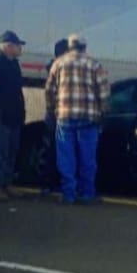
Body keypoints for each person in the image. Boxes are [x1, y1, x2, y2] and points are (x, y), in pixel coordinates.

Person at [44, 33, 109, 204]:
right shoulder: (94, 64)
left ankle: (68, 194)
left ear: (69, 47)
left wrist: (52, 109)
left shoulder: (58, 63)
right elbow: (104, 92)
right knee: (87, 157)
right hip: (88, 118)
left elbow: (49, 90)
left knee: (66, 157)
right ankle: (87, 194)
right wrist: (102, 112)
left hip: (64, 116)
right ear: (84, 47)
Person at [0, 30, 26, 200]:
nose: (20, 49)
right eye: (18, 46)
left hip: (15, 116)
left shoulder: (14, 64)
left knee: (11, 151)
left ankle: (8, 183)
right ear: (8, 46)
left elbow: (18, 90)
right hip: (1, 116)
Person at [40, 38, 70, 195]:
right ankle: (49, 184)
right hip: (57, 118)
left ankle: (49, 184)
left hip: (55, 117)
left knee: (53, 151)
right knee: (55, 152)